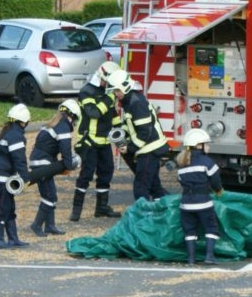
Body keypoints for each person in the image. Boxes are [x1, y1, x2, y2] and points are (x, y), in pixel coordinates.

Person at [70, 61, 123, 222]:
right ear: (102, 77)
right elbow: (93, 113)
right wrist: (109, 99)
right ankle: (76, 210)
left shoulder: (106, 92)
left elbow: (111, 114)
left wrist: (120, 130)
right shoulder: (87, 91)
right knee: (86, 175)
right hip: (89, 141)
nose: (111, 86)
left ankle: (101, 208)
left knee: (106, 172)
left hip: (104, 141)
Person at [106, 69, 169, 202]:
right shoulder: (130, 100)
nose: (116, 94)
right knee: (154, 185)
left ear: (125, 86)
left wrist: (130, 148)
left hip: (149, 149)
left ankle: (141, 216)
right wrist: (122, 134)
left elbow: (145, 132)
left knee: (141, 186)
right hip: (149, 148)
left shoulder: (136, 103)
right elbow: (130, 123)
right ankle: (165, 209)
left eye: (117, 90)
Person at [28, 99, 82, 237]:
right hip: (43, 164)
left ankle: (50, 226)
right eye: (75, 119)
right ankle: (37, 225)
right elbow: (65, 150)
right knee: (50, 195)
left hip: (40, 162)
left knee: (49, 194)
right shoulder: (63, 126)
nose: (74, 123)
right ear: (72, 115)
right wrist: (69, 166)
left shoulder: (54, 123)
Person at [0, 103, 34, 249]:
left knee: (9, 206)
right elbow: (19, 159)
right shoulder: (16, 136)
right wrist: (26, 179)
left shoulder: (8, 133)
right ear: (24, 121)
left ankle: (13, 238)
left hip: (1, 176)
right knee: (2, 207)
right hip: (1, 178)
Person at [175, 128, 223, 265]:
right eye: (206, 144)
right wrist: (218, 190)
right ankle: (209, 256)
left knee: (189, 231)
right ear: (198, 146)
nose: (208, 147)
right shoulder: (207, 162)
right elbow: (215, 180)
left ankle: (191, 259)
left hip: (185, 204)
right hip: (203, 203)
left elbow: (181, 180)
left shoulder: (182, 164)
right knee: (211, 228)